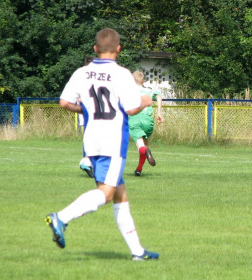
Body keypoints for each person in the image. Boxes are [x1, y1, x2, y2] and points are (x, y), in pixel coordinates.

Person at [45, 28, 159, 261]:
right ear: (118, 49)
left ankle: (137, 252)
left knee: (119, 194)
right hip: (112, 140)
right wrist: (146, 100)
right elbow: (130, 108)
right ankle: (62, 218)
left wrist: (86, 110)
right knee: (106, 194)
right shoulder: (121, 74)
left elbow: (64, 102)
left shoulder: (82, 73)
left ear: (95, 49)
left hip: (92, 140)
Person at [129, 70, 163, 176]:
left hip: (135, 119)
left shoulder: (128, 91)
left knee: (141, 146)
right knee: (145, 144)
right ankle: (139, 169)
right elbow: (158, 97)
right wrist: (159, 113)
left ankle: (146, 152)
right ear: (143, 80)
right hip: (148, 121)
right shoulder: (149, 90)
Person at [78, 56, 95, 178]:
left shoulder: (80, 76)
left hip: (84, 110)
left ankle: (88, 161)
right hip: (92, 110)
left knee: (89, 135)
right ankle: (86, 162)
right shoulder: (90, 76)